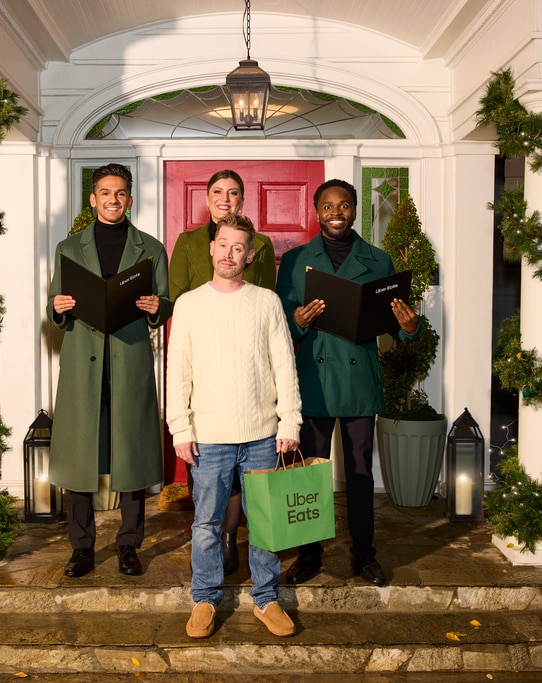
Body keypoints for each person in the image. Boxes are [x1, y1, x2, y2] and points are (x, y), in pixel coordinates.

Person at [276, 179, 421, 588]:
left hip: (358, 378)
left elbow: (397, 317)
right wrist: (297, 320)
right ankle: (309, 555)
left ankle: (364, 555)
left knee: (359, 473)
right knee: (310, 474)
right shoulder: (296, 260)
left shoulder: (378, 259)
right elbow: (279, 317)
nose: (335, 212)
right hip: (313, 380)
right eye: (327, 206)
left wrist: (410, 327)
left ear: (355, 210)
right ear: (316, 211)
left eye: (343, 205)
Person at [166, 212, 301, 639]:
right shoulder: (189, 304)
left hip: (262, 433)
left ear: (249, 254)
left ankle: (266, 598)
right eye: (223, 244)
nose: (229, 253)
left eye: (238, 247)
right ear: (211, 247)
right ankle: (205, 598)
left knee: (263, 523)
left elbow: (284, 365)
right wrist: (180, 429)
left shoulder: (266, 301)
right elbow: (178, 372)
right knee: (206, 523)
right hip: (208, 437)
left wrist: (289, 422)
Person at [46, 163, 171, 579]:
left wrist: (158, 308)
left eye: (120, 193)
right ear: (93, 198)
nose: (112, 200)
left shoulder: (151, 249)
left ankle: (129, 544)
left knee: (130, 454)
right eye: (105, 192)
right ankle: (81, 548)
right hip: (83, 365)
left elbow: (165, 302)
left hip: (130, 361)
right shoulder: (68, 248)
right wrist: (58, 308)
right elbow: (54, 305)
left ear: (129, 199)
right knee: (80, 456)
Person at [168, 169, 276, 576]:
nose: (225, 198)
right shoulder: (189, 244)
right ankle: (212, 564)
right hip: (207, 374)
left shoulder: (260, 247)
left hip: (249, 385)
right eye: (218, 192)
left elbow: (265, 305)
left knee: (254, 489)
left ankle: (235, 537)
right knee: (213, 485)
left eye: (233, 193)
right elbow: (178, 297)